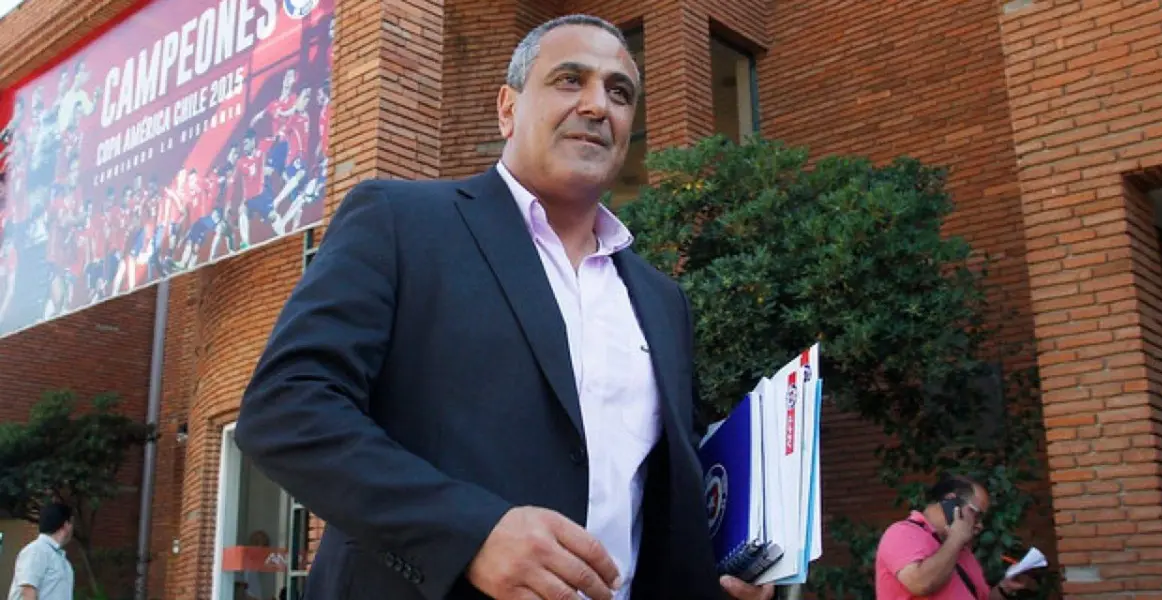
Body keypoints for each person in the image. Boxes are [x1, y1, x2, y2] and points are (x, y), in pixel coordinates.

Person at [235, 13, 774, 600]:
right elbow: (286, 407)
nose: (598, 105)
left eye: (620, 93)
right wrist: (468, 533)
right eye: (570, 80)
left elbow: (666, 493)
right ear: (507, 108)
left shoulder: (663, 300)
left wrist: (722, 573)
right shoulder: (401, 223)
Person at [875, 475, 1031, 600]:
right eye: (976, 515)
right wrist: (956, 539)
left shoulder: (961, 551)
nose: (979, 525)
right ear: (951, 502)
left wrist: (1004, 589)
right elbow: (921, 583)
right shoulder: (903, 533)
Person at [6, 503, 75, 600]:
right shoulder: (36, 550)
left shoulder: (61, 559)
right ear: (66, 525)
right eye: (71, 523)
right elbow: (28, 592)